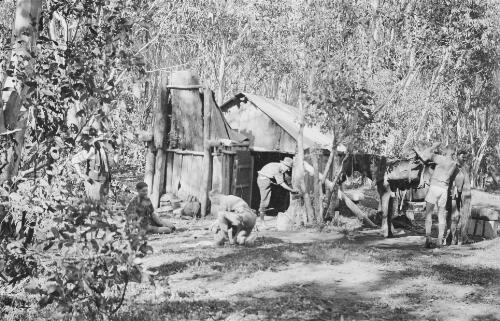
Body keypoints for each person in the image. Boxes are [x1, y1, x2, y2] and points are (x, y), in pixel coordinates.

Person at [414, 143, 457, 248]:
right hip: (444, 190)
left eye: (445, 149)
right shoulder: (454, 163)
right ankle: (439, 241)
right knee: (441, 215)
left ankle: (428, 239)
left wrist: (433, 146)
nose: (443, 150)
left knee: (428, 214)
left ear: (448, 151)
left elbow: (425, 155)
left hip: (434, 187)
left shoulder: (440, 158)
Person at [71, 127, 112, 202]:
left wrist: (108, 180)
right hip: (94, 183)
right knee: (95, 207)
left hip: (104, 181)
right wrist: (81, 175)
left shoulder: (102, 147)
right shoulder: (91, 150)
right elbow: (74, 160)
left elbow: (106, 164)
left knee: (102, 208)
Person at [257, 157, 299, 221]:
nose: (288, 170)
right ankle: (262, 221)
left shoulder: (278, 166)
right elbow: (281, 183)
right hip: (264, 181)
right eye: (288, 168)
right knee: (265, 199)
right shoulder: (278, 169)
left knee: (286, 176)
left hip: (267, 178)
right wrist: (292, 190)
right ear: (284, 165)